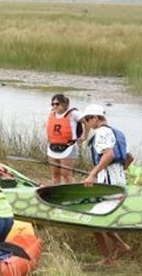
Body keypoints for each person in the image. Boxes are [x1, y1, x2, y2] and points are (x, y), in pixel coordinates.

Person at [80, 104, 132, 265]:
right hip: (119, 182)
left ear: (96, 118)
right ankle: (117, 249)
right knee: (101, 219)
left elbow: (109, 155)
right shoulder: (118, 132)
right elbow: (129, 157)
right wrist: (119, 171)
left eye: (87, 120)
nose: (86, 123)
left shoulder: (102, 132)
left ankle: (111, 255)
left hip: (107, 183)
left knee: (93, 221)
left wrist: (93, 174)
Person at [46, 94, 83, 185]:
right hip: (52, 147)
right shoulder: (51, 113)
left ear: (64, 104)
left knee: (66, 174)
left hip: (68, 147)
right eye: (53, 104)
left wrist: (84, 136)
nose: (55, 106)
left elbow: (87, 121)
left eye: (57, 104)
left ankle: (70, 191)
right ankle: (55, 192)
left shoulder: (74, 114)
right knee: (55, 174)